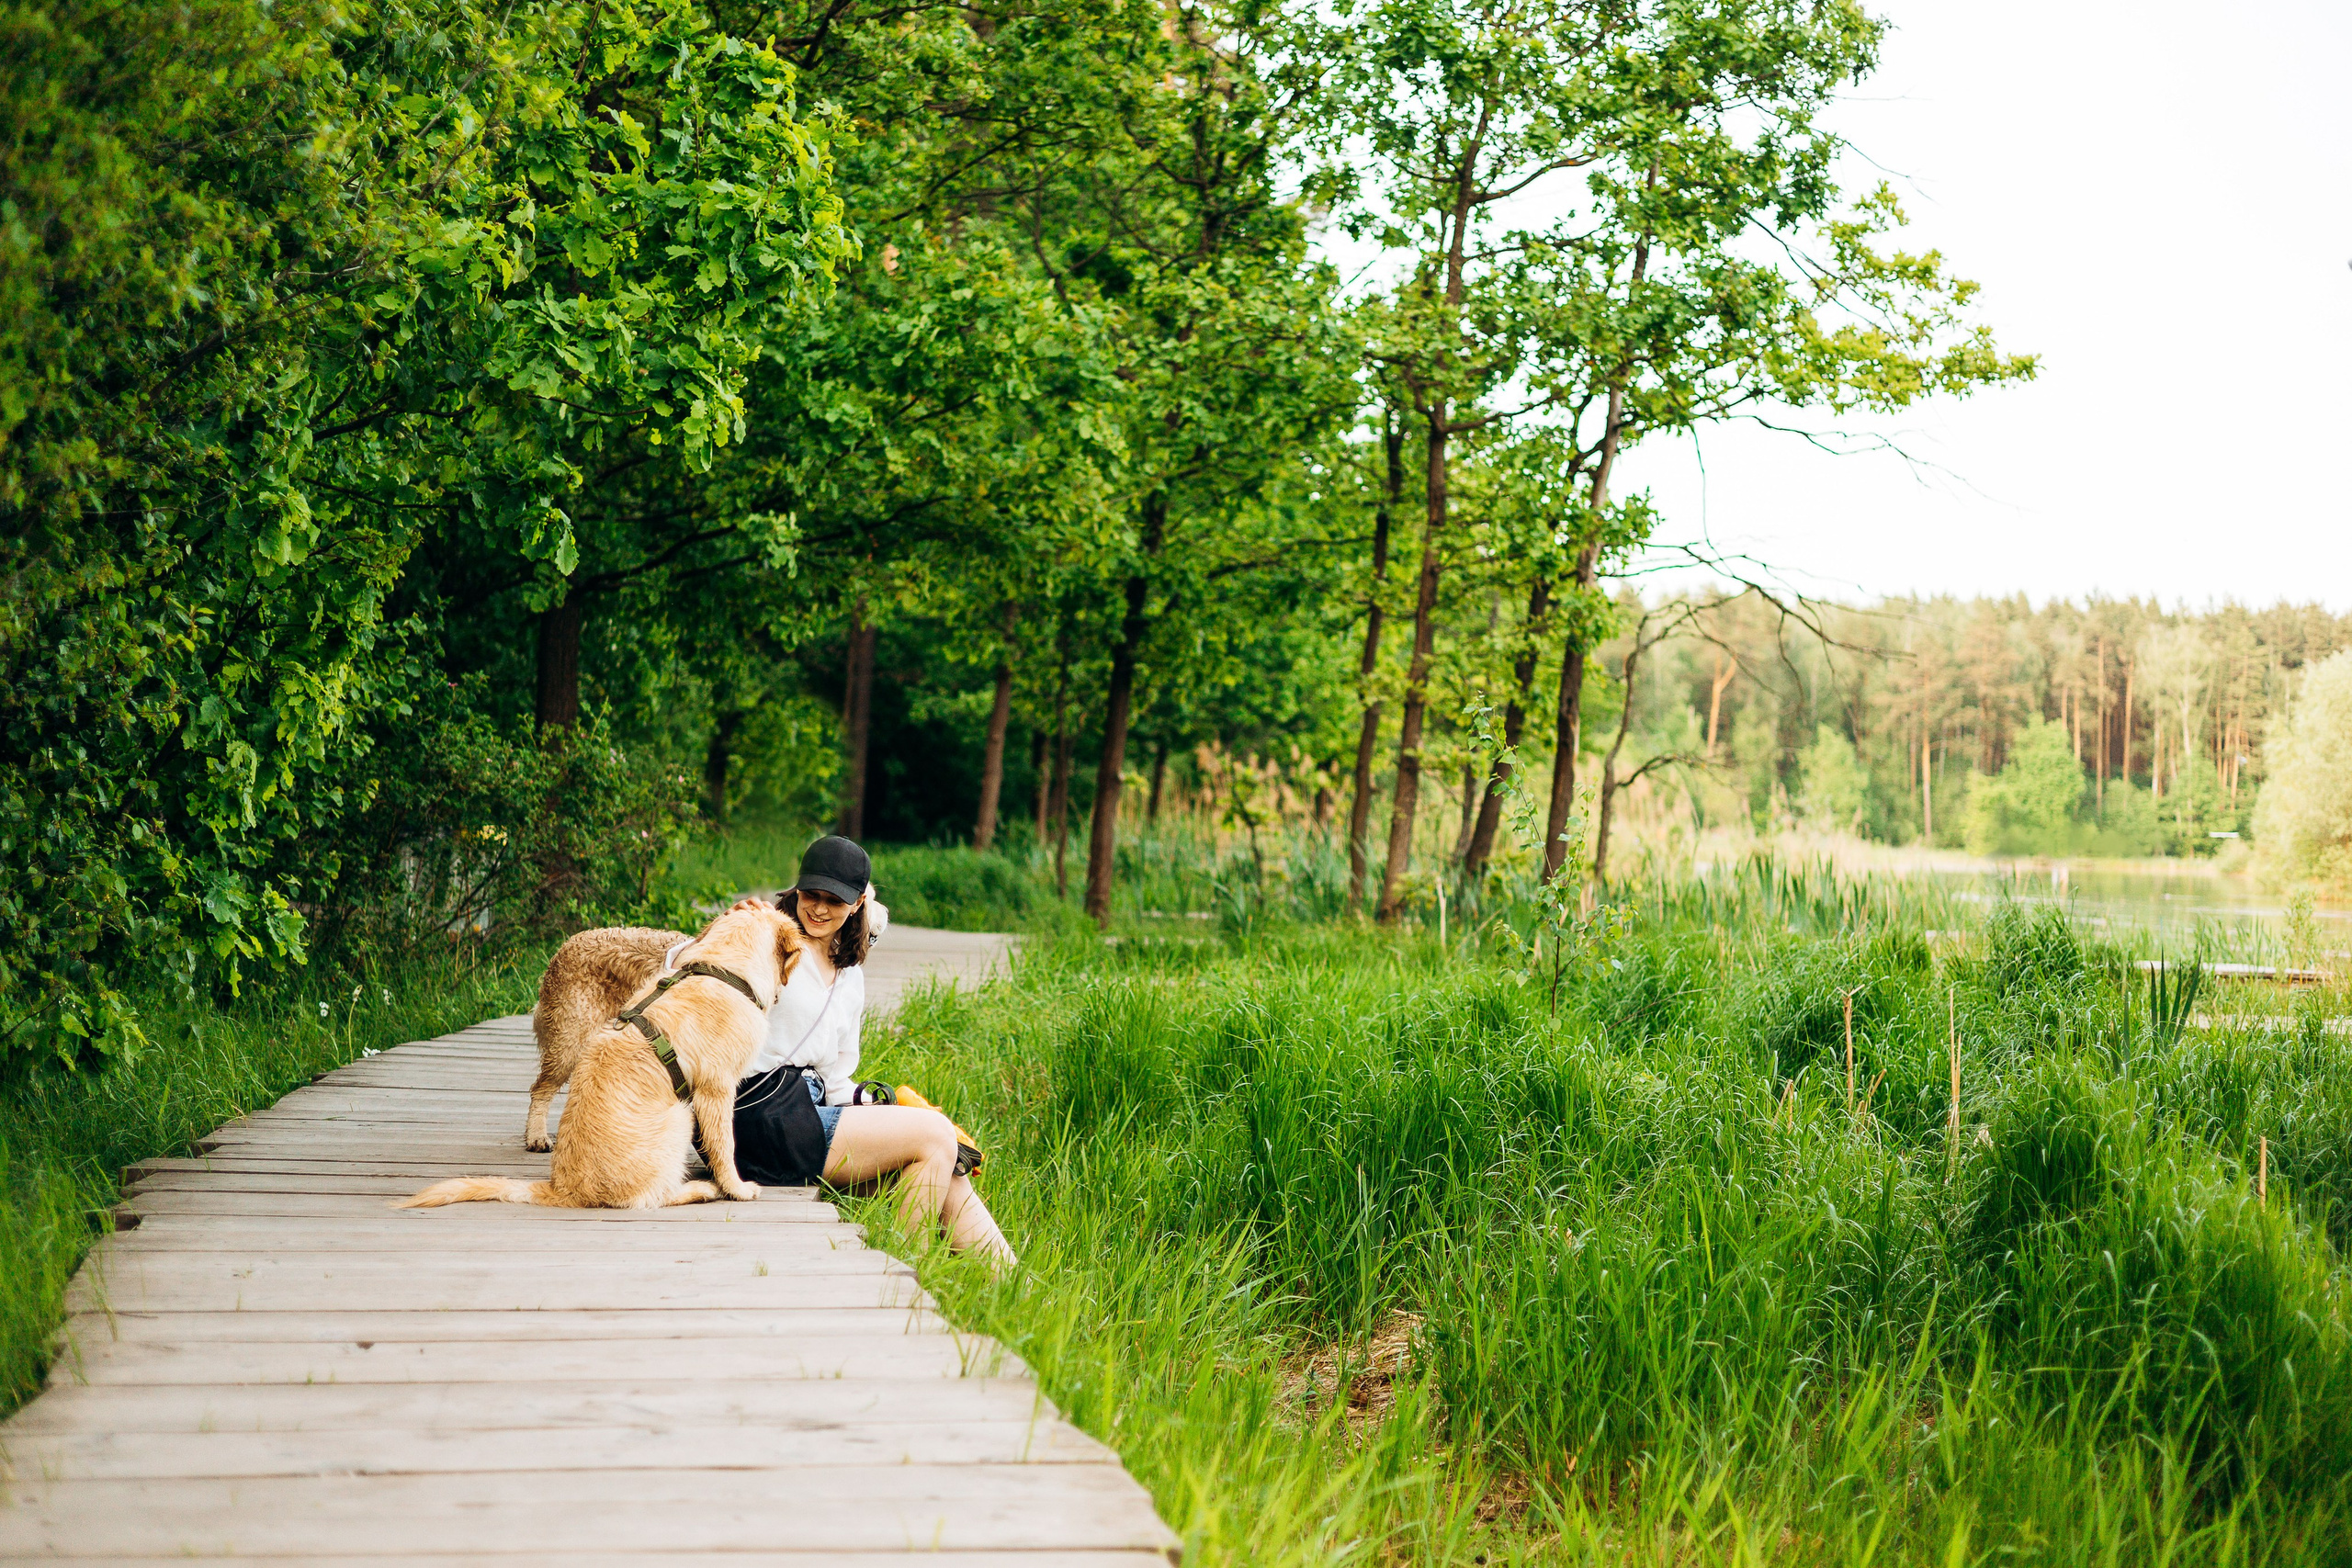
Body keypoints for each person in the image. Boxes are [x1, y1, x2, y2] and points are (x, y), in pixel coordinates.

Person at [730, 835, 1014, 1266]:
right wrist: (730, 924)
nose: (819, 909)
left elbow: (837, 1080)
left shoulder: (849, 976)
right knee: (934, 1137)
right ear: (797, 888)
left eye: (835, 900)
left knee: (945, 1165)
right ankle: (903, 1273)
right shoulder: (766, 934)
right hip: (757, 1113)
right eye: (811, 894)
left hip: (804, 1114)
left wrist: (875, 1103)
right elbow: (682, 962)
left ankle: (1012, 1285)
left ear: (859, 902)